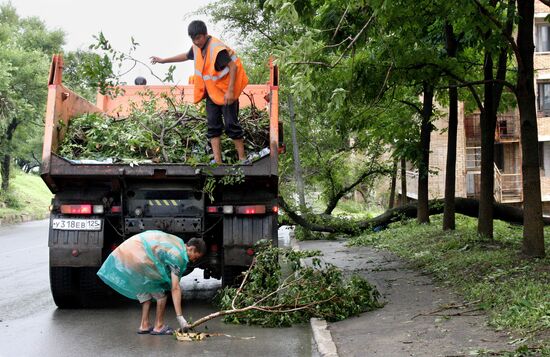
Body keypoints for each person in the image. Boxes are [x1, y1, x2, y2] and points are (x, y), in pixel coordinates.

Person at [150, 20, 249, 164]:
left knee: (231, 125)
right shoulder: (196, 47)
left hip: (227, 93)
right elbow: (185, 56)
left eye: (198, 38)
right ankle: (218, 161)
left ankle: (242, 158)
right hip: (212, 93)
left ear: (205, 34)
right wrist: (163, 60)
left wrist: (230, 91)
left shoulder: (216, 49)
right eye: (193, 39)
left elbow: (233, 67)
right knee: (213, 126)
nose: (196, 42)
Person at [97, 230, 206, 335]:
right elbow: (175, 287)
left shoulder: (178, 242)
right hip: (140, 256)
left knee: (147, 290)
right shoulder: (179, 257)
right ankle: (159, 326)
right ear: (191, 249)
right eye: (195, 257)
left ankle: (144, 325)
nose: (194, 260)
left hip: (130, 252)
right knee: (161, 294)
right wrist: (180, 317)